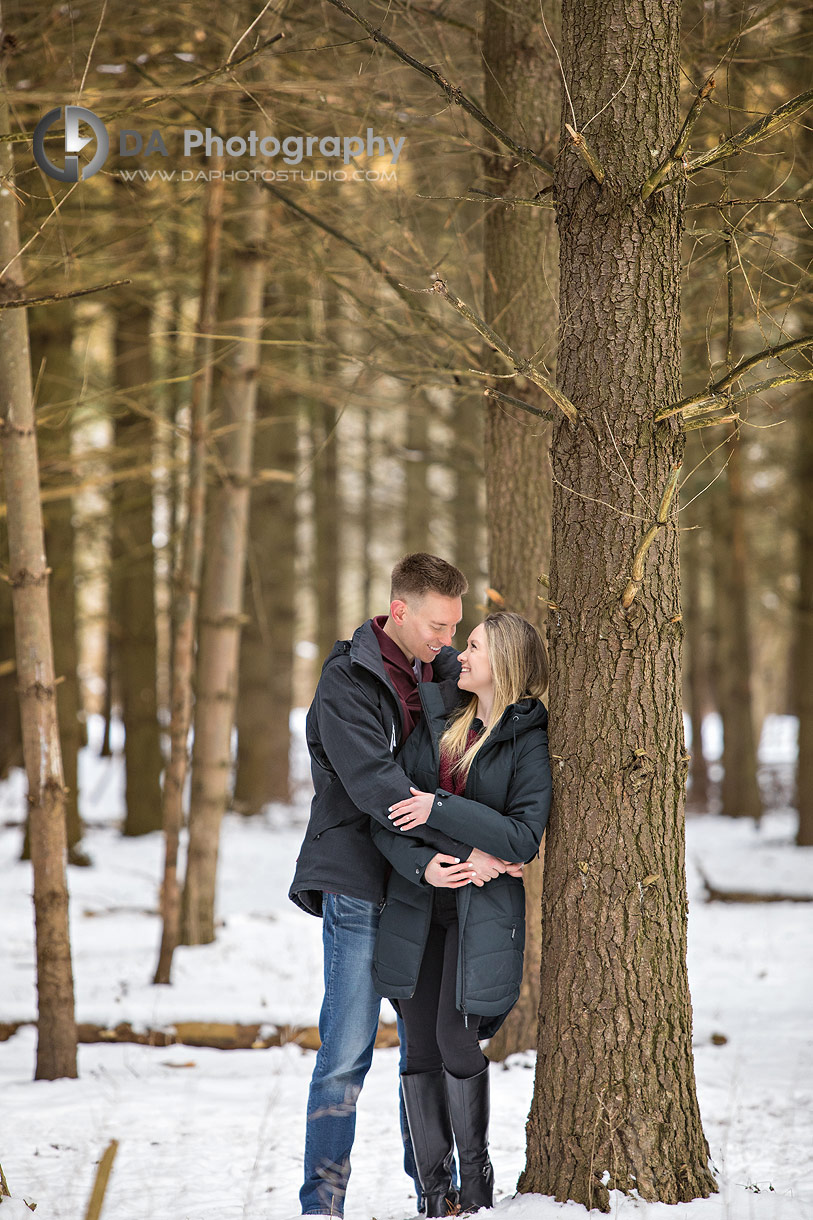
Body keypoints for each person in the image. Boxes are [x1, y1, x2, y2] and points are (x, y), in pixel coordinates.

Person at [288, 554, 514, 1219]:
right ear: (399, 611)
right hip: (359, 884)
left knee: (422, 1050)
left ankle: (434, 1193)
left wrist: (505, 839)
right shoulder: (346, 683)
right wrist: (471, 841)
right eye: (437, 625)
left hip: (422, 890)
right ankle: (321, 1205)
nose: (447, 638)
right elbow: (380, 791)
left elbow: (489, 738)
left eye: (455, 626)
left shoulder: (441, 671)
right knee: (347, 1052)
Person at [370, 611, 552, 1216]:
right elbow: (392, 818)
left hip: (480, 916)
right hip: (419, 903)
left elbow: (523, 834)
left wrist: (442, 811)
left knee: (455, 1035)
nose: (461, 656)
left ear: (503, 662)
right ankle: (434, 1195)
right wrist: (432, 863)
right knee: (418, 1046)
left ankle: (474, 1189)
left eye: (472, 646)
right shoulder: (438, 721)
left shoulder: (526, 736)